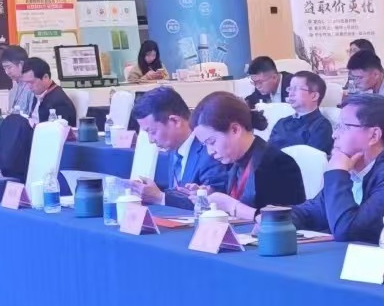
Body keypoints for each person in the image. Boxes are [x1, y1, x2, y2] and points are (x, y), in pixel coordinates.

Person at [290, 92, 384, 242]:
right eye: (337, 126)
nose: (334, 135)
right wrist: (279, 219)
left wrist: (337, 173)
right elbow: (310, 213)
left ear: (374, 135)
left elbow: (348, 232)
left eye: (344, 127)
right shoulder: (355, 168)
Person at [193, 92, 306, 220]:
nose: (210, 151)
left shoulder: (277, 163)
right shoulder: (233, 161)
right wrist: (212, 196)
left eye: (212, 142)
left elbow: (280, 221)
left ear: (235, 130)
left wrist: (232, 206)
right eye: (205, 145)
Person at [127, 87, 228, 207]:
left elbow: (213, 203)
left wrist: (160, 197)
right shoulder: (174, 148)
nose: (151, 140)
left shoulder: (211, 151)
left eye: (153, 132)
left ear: (175, 121)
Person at [269, 70, 335, 154]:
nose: (290, 94)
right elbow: (267, 153)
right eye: (290, 89)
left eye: (296, 89)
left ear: (314, 96)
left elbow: (312, 158)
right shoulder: (281, 122)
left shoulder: (321, 126)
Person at [21, 57, 77, 126]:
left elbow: (61, 130)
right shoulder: (39, 93)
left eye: (31, 82)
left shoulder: (59, 102)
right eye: (26, 83)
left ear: (46, 77)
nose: (28, 87)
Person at [0, 45, 36, 119]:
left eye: (9, 67)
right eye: (4, 68)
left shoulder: (32, 87)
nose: (7, 72)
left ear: (21, 64)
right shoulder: (14, 88)